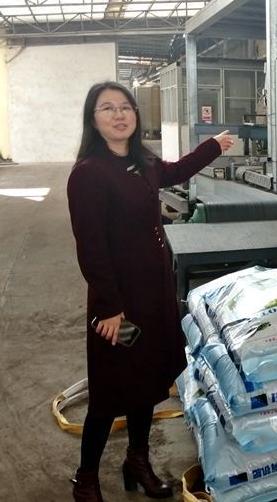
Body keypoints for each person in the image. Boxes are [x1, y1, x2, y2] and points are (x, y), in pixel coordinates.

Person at [67, 81, 234, 501]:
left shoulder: (141, 162)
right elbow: (91, 247)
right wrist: (109, 307)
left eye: (125, 107)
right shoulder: (89, 174)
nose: (119, 114)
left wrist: (212, 147)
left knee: (145, 381)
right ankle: (86, 478)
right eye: (107, 108)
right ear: (93, 120)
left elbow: (175, 171)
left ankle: (137, 460)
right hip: (117, 306)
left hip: (152, 297)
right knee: (109, 391)